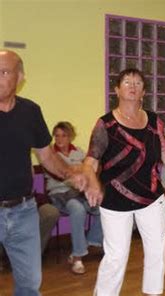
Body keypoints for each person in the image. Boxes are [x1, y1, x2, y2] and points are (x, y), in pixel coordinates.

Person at [84, 68, 165, 296]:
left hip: (151, 197)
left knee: (157, 251)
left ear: (143, 92)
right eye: (127, 82)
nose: (132, 86)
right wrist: (91, 182)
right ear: (117, 90)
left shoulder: (154, 122)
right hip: (115, 201)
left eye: (138, 83)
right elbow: (90, 162)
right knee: (116, 256)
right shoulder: (105, 125)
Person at [0, 50, 100, 295]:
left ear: (20, 77)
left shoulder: (30, 111)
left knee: (30, 284)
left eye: (3, 72)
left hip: (23, 211)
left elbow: (46, 156)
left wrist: (71, 173)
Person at [45, 121, 103, 274]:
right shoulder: (50, 155)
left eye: (63, 136)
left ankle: (89, 243)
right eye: (56, 136)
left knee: (102, 208)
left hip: (79, 193)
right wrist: (75, 171)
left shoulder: (79, 152)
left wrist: (80, 172)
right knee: (77, 209)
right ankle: (77, 258)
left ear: (70, 137)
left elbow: (89, 172)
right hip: (59, 194)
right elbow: (58, 175)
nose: (59, 139)